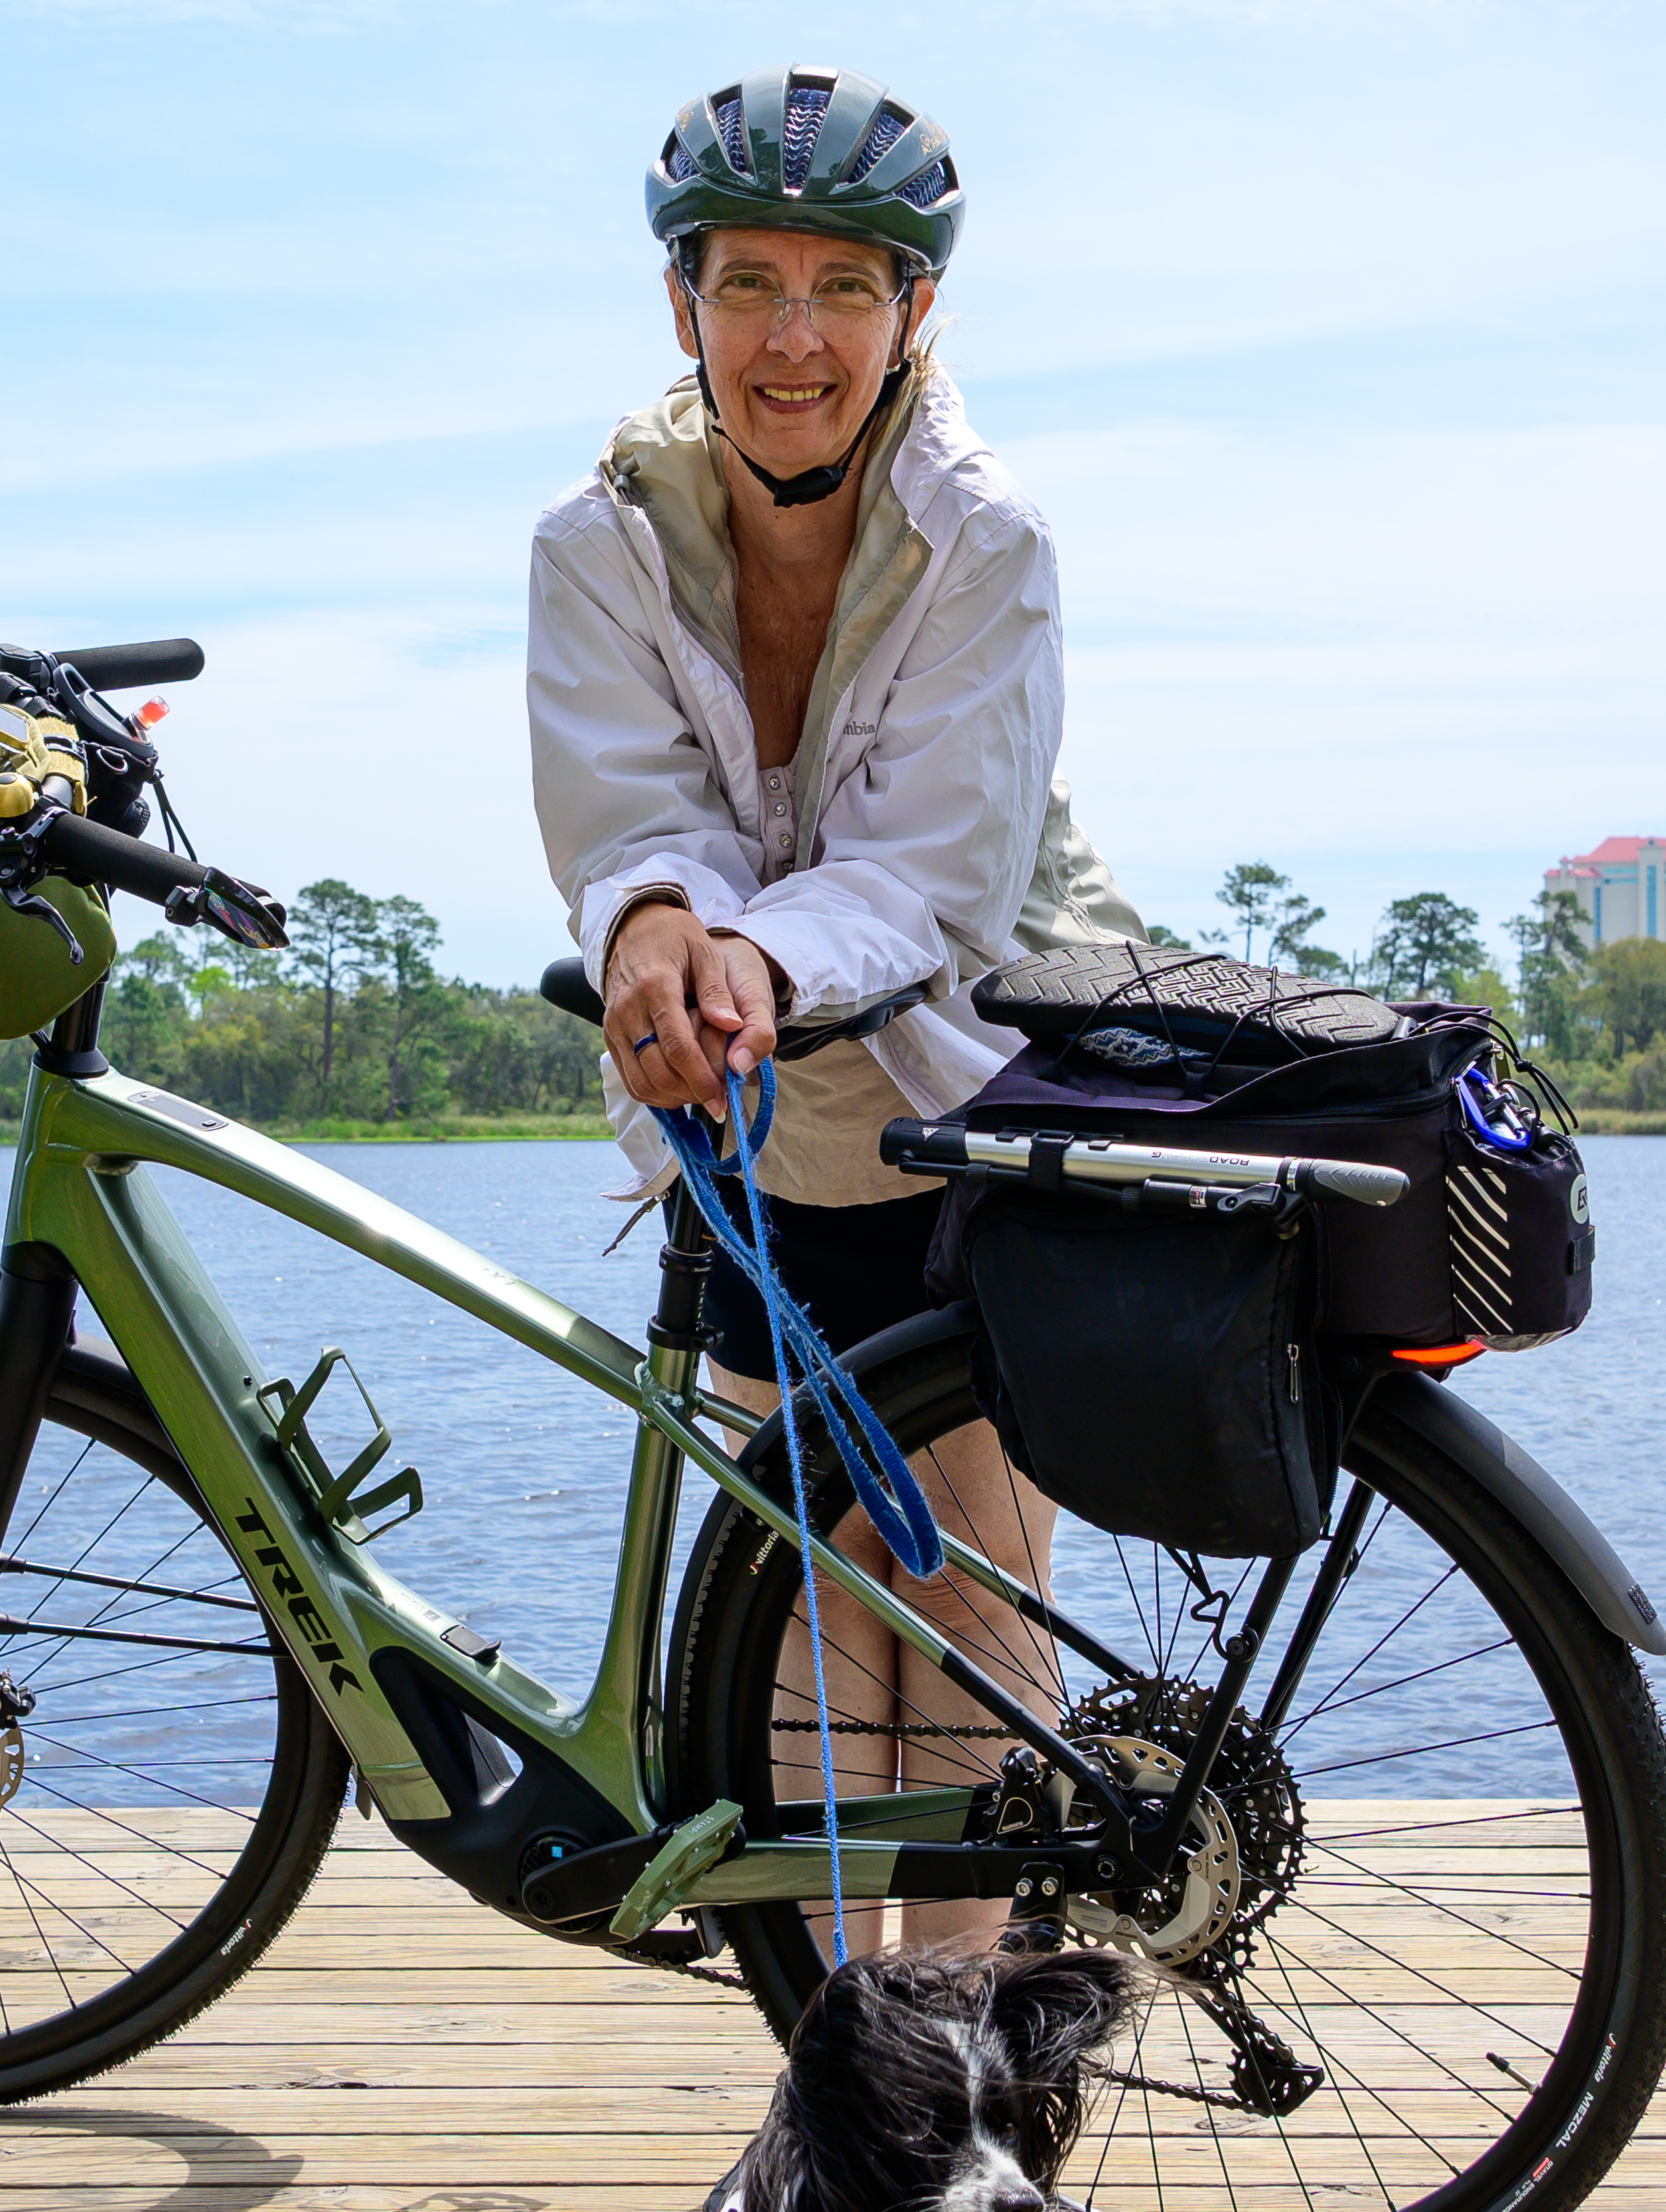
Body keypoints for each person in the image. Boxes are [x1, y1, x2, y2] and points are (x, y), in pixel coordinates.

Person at [528, 68, 1144, 1948]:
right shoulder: (595, 541)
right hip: (754, 1117)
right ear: (679, 304)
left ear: (915, 315)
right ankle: (838, 2081)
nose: (793, 337)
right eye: (747, 285)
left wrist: (747, 954)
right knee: (800, 1607)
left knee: (963, 1590)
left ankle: (958, 2066)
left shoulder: (987, 540)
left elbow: (939, 872)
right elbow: (628, 807)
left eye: (846, 288)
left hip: (975, 1075)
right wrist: (646, 918)